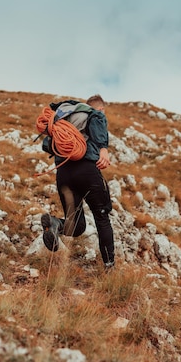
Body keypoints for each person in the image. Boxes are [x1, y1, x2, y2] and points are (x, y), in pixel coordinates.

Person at [40, 94, 115, 269]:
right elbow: (99, 131)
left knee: (77, 226)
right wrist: (103, 149)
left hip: (64, 173)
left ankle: (55, 223)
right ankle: (110, 267)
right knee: (102, 217)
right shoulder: (94, 114)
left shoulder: (63, 118)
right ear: (101, 108)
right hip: (87, 170)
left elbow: (46, 145)